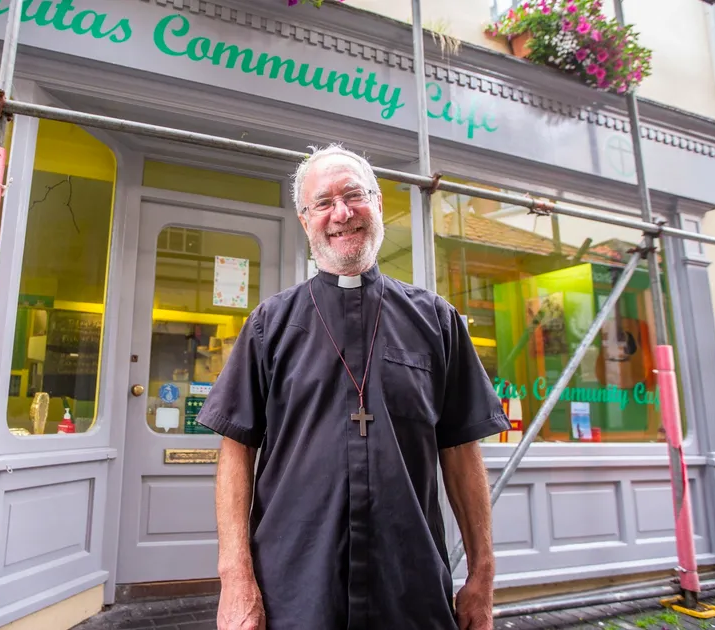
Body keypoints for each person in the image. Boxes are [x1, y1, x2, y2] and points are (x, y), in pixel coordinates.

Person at [196, 143, 509, 630]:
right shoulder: (269, 325)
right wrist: (236, 578)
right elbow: (236, 452)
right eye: (323, 203)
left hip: (410, 585)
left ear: (378, 204)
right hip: (294, 586)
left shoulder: (437, 321)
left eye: (354, 196)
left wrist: (482, 577)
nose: (342, 213)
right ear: (305, 221)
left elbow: (461, 452)